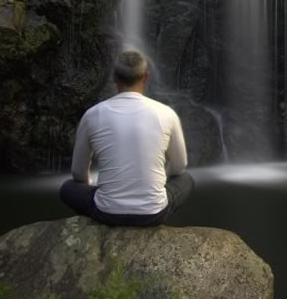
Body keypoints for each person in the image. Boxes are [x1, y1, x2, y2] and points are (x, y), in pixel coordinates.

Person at [59, 50, 193, 226]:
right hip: (153, 214)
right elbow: (179, 167)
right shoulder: (167, 113)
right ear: (146, 77)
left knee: (67, 188)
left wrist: (91, 187)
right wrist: (158, 181)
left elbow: (78, 172)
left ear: (114, 78)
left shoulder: (92, 115)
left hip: (106, 212)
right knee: (186, 179)